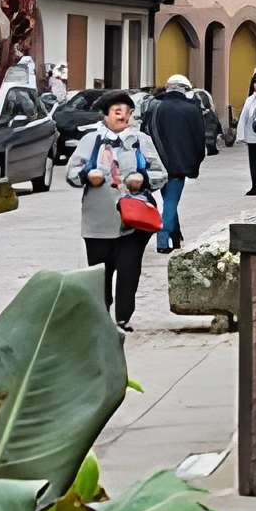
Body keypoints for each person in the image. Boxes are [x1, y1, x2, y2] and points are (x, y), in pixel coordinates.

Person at [67, 91, 166, 331]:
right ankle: (102, 317)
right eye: (116, 111)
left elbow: (161, 173)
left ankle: (123, 318)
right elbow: (71, 172)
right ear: (105, 115)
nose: (122, 116)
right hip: (97, 221)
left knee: (129, 271)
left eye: (126, 112)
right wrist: (87, 176)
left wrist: (142, 179)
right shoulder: (91, 141)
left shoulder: (140, 140)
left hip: (133, 222)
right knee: (100, 273)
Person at [145, 73, 207, 252]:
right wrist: (195, 162)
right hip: (179, 165)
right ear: (185, 90)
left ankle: (175, 235)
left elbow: (145, 134)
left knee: (169, 200)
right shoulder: (192, 109)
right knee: (171, 202)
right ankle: (163, 241)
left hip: (158, 163)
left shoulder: (155, 107)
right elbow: (199, 140)